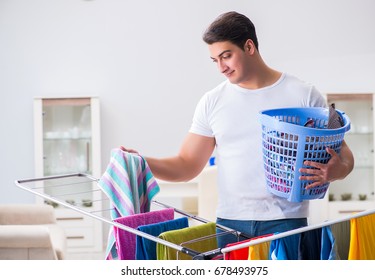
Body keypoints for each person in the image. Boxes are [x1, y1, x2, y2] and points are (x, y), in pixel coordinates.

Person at [120, 11, 354, 252]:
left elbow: (344, 154)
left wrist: (339, 169)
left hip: (287, 222)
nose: (221, 67)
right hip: (230, 224)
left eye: (226, 56)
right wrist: (141, 161)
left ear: (249, 46)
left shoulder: (303, 94)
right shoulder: (213, 101)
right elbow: (186, 164)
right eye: (215, 60)